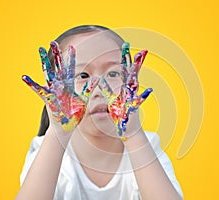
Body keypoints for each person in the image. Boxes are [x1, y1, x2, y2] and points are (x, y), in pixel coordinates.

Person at [16, 25, 183, 200]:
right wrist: (57, 134)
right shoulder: (46, 151)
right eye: (82, 76)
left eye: (113, 73)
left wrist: (133, 134)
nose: (99, 88)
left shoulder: (147, 147)